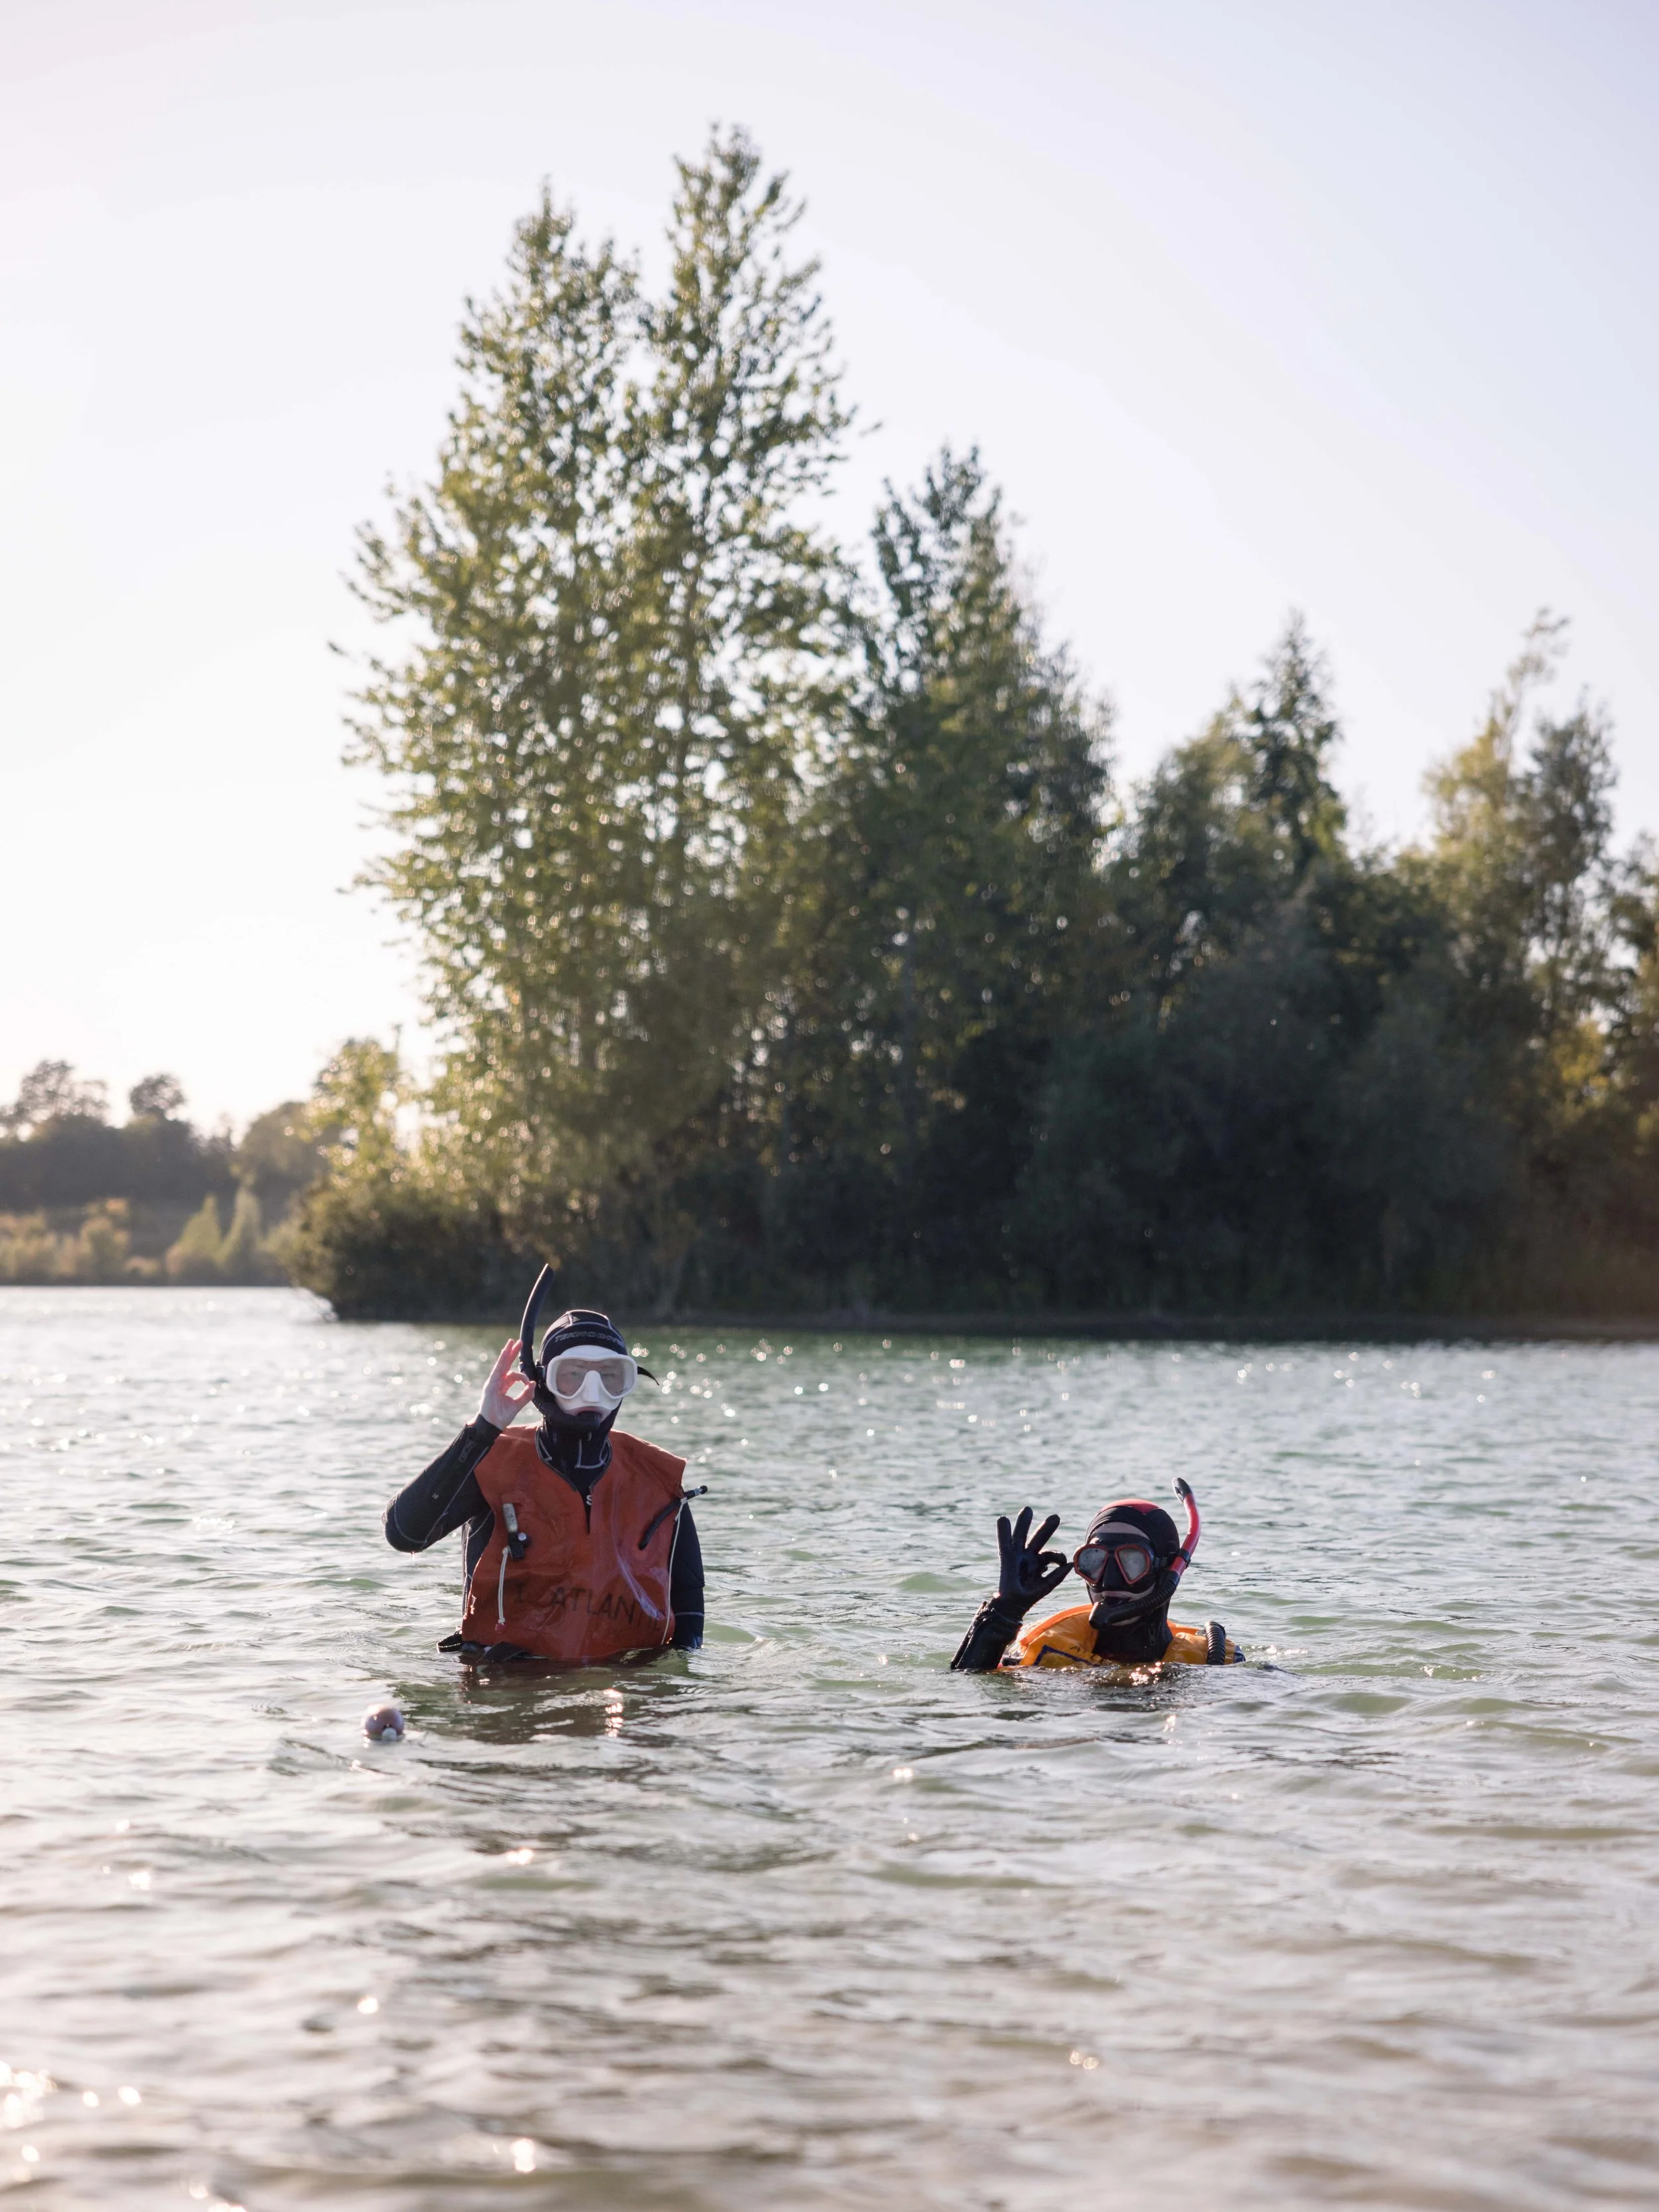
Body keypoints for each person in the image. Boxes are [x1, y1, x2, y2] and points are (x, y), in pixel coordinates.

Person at [384, 1274, 704, 1663]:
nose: (592, 1393)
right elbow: (404, 1533)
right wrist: (482, 1430)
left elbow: (689, 1636)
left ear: (627, 1382)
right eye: (571, 1375)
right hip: (509, 1695)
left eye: (609, 1377)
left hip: (620, 1693)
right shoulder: (493, 1463)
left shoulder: (660, 1485)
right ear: (541, 1381)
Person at [950, 1480, 1243, 1672]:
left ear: (1168, 1572)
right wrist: (1003, 1613)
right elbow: (963, 1704)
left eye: (1131, 1562)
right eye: (1095, 1561)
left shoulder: (1212, 1662)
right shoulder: (1046, 1648)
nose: (1109, 1582)